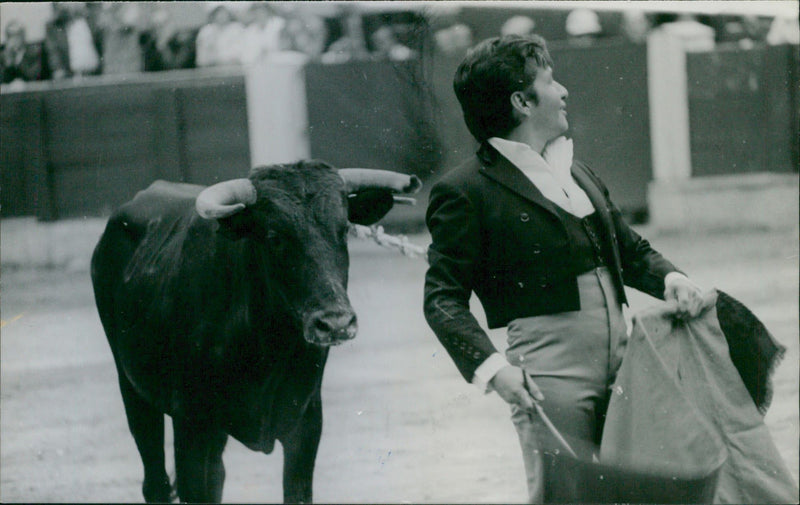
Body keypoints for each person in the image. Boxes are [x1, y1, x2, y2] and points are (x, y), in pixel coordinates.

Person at [423, 34, 704, 503]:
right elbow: (442, 298)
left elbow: (629, 251)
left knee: (646, 492)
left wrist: (672, 278)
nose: (564, 91)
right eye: (551, 81)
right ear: (522, 101)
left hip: (628, 364)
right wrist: (493, 368)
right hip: (549, 375)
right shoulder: (465, 190)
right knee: (564, 498)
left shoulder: (577, 171)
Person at [195, 3, 245, 67]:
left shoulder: (237, 29)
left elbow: (240, 54)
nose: (221, 16)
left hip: (233, 68)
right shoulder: (206, 32)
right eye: (218, 13)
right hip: (211, 70)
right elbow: (201, 59)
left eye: (223, 13)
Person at [1, 20, 47, 86]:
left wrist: (18, 60)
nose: (13, 39)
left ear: (23, 36)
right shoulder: (3, 55)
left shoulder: (35, 52)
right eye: (10, 36)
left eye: (17, 35)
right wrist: (9, 60)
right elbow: (2, 80)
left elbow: (34, 77)